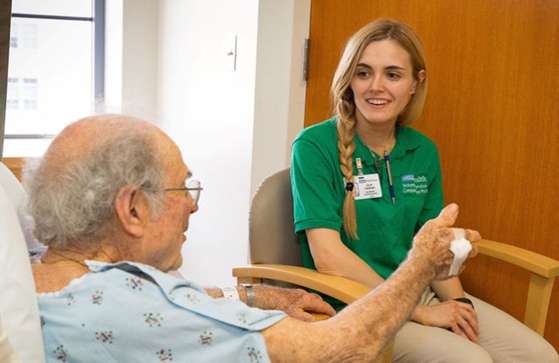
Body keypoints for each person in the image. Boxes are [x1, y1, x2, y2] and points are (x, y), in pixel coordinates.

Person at [28, 114, 476, 362]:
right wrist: (420, 264)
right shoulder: (150, 306)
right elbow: (343, 348)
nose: (193, 204)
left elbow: (155, 303)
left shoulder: (34, 275)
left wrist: (252, 295)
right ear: (132, 210)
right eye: (183, 187)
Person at [290, 19, 558, 363]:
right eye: (363, 73)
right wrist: (417, 310)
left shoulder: (423, 151)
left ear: (416, 83)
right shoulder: (314, 145)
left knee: (540, 355)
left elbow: (433, 245)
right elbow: (327, 257)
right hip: (354, 301)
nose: (376, 87)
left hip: (419, 292)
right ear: (348, 81)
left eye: (392, 74)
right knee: (471, 361)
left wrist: (458, 305)